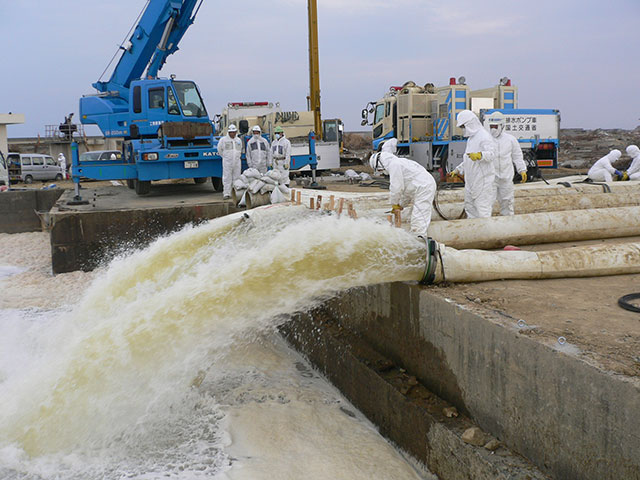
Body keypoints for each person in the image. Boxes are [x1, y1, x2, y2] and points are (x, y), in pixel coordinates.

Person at [369, 150, 436, 237]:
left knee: (419, 218)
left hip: (424, 187)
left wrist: (394, 203)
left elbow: (396, 188)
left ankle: (419, 242)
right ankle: (416, 237)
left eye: (380, 170)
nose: (382, 172)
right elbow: (406, 191)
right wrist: (401, 204)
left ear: (380, 164)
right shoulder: (398, 163)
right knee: (414, 217)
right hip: (422, 186)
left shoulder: (394, 165)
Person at [449, 110, 497, 218]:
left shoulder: (484, 136)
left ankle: (486, 233)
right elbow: (468, 159)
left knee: (482, 209)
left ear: (470, 124)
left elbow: (492, 154)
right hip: (471, 181)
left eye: (463, 126)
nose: (462, 130)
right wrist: (458, 170)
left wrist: (481, 155)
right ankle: (475, 232)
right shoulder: (471, 139)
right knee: (470, 207)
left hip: (483, 181)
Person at [486, 112, 527, 216]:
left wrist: (522, 170)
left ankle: (507, 225)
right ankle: (486, 225)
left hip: (506, 177)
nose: (493, 129)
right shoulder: (486, 140)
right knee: (487, 202)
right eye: (491, 126)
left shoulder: (510, 140)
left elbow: (517, 156)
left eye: (495, 126)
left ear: (502, 126)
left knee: (507, 202)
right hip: (491, 177)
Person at [217, 124, 243, 199]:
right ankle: (227, 193)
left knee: (237, 177)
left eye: (234, 132)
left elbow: (240, 149)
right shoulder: (223, 140)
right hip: (227, 162)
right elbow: (219, 150)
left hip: (237, 162)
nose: (233, 133)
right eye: (231, 132)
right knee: (227, 177)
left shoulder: (238, 140)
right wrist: (225, 157)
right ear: (228, 132)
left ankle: (235, 193)